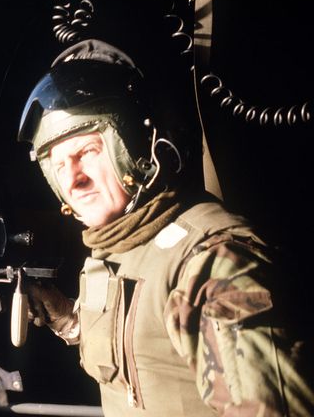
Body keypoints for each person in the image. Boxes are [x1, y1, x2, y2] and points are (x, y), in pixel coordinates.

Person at [17, 39, 313, 416]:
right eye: (59, 166)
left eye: (87, 152)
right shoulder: (119, 249)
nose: (74, 180)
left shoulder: (211, 265)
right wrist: (67, 319)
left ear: (135, 147)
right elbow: (144, 351)